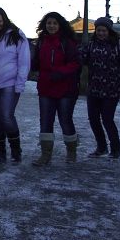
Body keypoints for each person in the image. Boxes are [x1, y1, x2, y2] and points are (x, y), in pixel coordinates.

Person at [79, 17, 120, 159]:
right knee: (93, 119)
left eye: (104, 30)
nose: (101, 33)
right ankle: (101, 147)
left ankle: (115, 149)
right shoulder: (91, 45)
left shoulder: (118, 46)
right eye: (99, 30)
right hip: (94, 88)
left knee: (107, 119)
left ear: (109, 31)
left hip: (112, 89)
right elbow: (80, 58)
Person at [31, 12, 81, 165]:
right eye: (49, 23)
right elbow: (37, 62)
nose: (51, 26)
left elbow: (75, 63)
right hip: (46, 87)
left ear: (60, 25)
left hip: (65, 88)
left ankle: (71, 151)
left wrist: (60, 73)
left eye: (54, 23)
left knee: (65, 120)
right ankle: (45, 154)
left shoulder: (67, 42)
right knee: (45, 121)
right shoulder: (41, 41)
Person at [0, 7, 30, 164]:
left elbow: (24, 61)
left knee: (6, 116)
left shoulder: (16, 35)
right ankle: (0, 153)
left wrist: (20, 83)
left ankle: (16, 151)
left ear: (5, 19)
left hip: (10, 82)